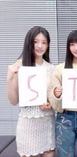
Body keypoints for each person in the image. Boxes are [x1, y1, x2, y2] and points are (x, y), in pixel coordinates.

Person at [7, 26, 55, 157]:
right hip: (28, 125)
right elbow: (13, 101)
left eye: (44, 42)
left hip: (47, 123)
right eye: (35, 41)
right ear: (29, 43)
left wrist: (50, 103)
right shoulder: (18, 66)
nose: (40, 46)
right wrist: (10, 77)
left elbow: (54, 97)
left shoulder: (51, 68)